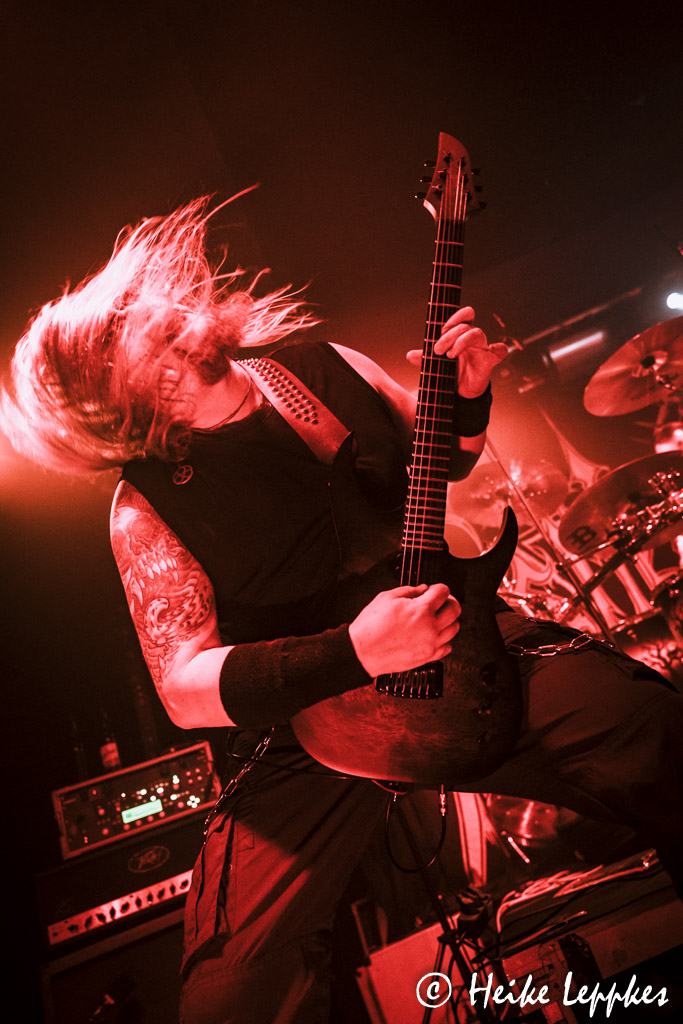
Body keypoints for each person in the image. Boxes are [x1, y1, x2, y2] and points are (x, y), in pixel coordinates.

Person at [3, 198, 682, 1024]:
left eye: (140, 313)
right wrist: (354, 653)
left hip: (461, 645)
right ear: (118, 401)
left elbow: (440, 463)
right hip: (303, 730)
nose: (158, 323)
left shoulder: (321, 367)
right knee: (234, 991)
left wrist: (467, 398)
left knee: (654, 734)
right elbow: (182, 688)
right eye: (124, 344)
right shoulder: (144, 506)